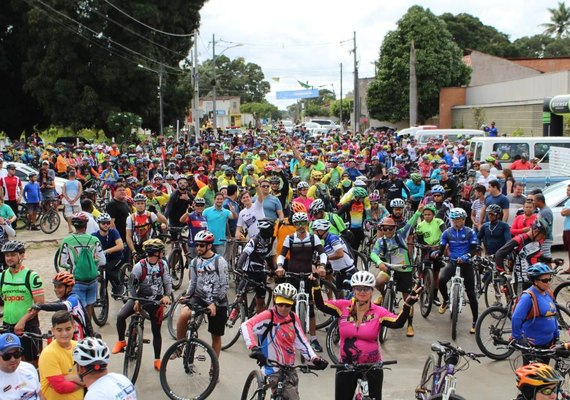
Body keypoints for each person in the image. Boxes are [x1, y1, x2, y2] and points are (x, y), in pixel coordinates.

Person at [312, 271, 420, 400]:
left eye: (367, 288)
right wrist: (316, 286)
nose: (362, 291)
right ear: (353, 289)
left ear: (372, 290)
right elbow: (321, 305)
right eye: (358, 288)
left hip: (372, 366)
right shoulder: (343, 307)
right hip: (346, 366)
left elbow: (397, 323)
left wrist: (407, 305)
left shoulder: (379, 312)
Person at [242, 283, 328, 400]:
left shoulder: (293, 318)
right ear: (274, 301)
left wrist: (314, 358)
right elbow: (246, 325)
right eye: (280, 304)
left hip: (289, 367)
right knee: (291, 396)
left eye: (287, 305)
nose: (283, 308)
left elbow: (302, 342)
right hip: (271, 366)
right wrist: (253, 347)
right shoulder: (268, 316)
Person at [112, 239, 172, 371]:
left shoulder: (163, 265)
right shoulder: (139, 266)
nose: (163, 253)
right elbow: (132, 285)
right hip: (139, 298)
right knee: (121, 316)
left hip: (156, 301)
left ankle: (157, 359)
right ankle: (121, 341)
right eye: (161, 251)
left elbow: (167, 281)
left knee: (157, 331)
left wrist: (167, 295)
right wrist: (136, 300)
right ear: (156, 253)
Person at [276, 212, 328, 352]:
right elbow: (281, 255)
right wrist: (280, 266)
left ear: (306, 224)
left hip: (308, 274)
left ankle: (313, 339)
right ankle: (288, 335)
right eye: (297, 224)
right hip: (292, 274)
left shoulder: (313, 237)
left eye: (302, 223)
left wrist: (322, 266)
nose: (300, 226)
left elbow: (322, 253)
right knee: (289, 307)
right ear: (294, 225)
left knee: (311, 308)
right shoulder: (290, 238)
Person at [175, 230, 228, 359]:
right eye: (197, 245)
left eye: (201, 245)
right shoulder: (194, 262)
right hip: (200, 297)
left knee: (216, 336)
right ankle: (179, 347)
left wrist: (214, 303)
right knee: (183, 315)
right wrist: (187, 297)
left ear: (209, 246)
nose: (198, 248)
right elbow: (193, 283)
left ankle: (213, 369)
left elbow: (224, 286)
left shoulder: (220, 262)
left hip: (217, 301)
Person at [371, 205, 423, 337]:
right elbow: (373, 254)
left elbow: (411, 222)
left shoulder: (401, 234)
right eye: (384, 228)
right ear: (381, 229)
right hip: (388, 268)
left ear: (395, 228)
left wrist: (418, 211)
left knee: (408, 298)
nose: (387, 231)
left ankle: (409, 324)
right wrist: (379, 262)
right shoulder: (380, 241)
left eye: (390, 228)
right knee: (377, 282)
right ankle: (384, 294)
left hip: (404, 270)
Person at [432, 208, 479, 334]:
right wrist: (437, 253)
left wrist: (466, 257)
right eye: (454, 220)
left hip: (466, 264)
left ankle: (475, 321)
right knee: (441, 280)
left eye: (458, 220)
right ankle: (446, 300)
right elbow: (441, 249)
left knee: (471, 293)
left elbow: (474, 249)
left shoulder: (470, 232)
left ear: (464, 220)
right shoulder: (447, 233)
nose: (456, 222)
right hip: (453, 262)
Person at [0, 241, 44, 367]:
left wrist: (22, 321)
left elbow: (39, 303)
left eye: (13, 255)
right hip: (7, 325)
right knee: (9, 362)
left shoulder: (31, 276)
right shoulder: (2, 277)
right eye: (7, 255)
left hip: (28, 326)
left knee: (32, 363)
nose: (9, 258)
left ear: (22, 255)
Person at [57, 212, 106, 323]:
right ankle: (88, 330)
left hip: (77, 280)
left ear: (74, 225)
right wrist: (93, 265)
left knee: (78, 308)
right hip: (92, 279)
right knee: (89, 307)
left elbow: (62, 263)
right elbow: (102, 261)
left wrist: (72, 266)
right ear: (86, 225)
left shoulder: (67, 240)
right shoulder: (94, 240)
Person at [511, 263, 558, 365]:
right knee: (532, 378)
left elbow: (553, 316)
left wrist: (556, 335)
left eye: (549, 279)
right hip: (533, 348)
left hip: (548, 344)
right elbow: (516, 318)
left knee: (545, 377)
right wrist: (519, 338)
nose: (548, 283)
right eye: (545, 280)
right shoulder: (528, 297)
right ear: (535, 281)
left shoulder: (548, 293)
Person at [38, 311, 84, 400]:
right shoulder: (49, 354)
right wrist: (84, 383)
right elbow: (61, 387)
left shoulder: (79, 346)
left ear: (74, 327)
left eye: (68, 329)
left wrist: (70, 378)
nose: (64, 334)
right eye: (59, 330)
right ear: (53, 330)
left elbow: (93, 375)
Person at [33, 272, 94, 339]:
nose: (56, 290)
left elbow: (63, 306)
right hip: (68, 335)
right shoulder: (64, 299)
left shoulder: (74, 299)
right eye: (55, 287)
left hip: (79, 337)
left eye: (59, 287)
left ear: (69, 288)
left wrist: (41, 306)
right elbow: (54, 304)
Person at [236, 218, 276, 314]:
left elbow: (269, 258)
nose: (273, 231)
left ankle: (259, 321)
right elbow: (244, 254)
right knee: (239, 296)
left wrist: (274, 271)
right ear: (266, 230)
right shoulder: (254, 241)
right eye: (271, 229)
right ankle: (236, 311)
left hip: (261, 273)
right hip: (248, 272)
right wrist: (239, 268)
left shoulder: (269, 242)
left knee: (260, 302)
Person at [92, 213, 125, 297]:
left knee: (108, 270)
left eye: (108, 223)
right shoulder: (94, 236)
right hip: (104, 260)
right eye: (103, 223)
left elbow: (120, 246)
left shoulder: (113, 232)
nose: (106, 225)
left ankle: (121, 285)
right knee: (103, 278)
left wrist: (106, 251)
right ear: (98, 223)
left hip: (117, 257)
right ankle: (103, 300)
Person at [0, 332, 41, 399]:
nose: (13, 359)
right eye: (7, 356)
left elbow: (40, 394)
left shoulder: (29, 368)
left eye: (17, 354)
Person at [61, 169, 83, 233]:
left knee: (68, 215)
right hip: (76, 202)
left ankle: (70, 228)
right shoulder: (78, 183)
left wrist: (68, 199)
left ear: (69, 175)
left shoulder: (65, 183)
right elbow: (80, 192)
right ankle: (77, 228)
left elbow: (64, 192)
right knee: (77, 215)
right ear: (75, 175)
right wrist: (75, 199)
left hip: (68, 202)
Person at [534, 194, 554, 259]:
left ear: (540, 201)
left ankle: (549, 269)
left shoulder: (546, 212)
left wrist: (542, 237)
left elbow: (547, 227)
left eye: (534, 200)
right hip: (543, 238)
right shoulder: (542, 210)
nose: (533, 202)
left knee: (546, 258)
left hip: (546, 239)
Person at [561, 184, 570, 274]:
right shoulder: (568, 201)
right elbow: (563, 212)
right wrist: (564, 211)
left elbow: (566, 212)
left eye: (569, 190)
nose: (567, 192)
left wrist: (565, 211)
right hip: (567, 228)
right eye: (567, 190)